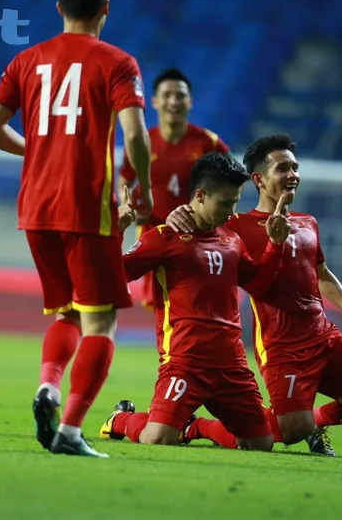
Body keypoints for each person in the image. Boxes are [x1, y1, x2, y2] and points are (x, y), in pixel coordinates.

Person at [0, 0, 152, 458]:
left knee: (64, 312)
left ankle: (48, 389)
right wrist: (145, 189)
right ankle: (71, 431)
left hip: (35, 207)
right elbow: (134, 132)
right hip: (85, 209)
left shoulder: (27, 59)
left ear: (58, 7)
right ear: (106, 7)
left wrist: (33, 148)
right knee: (101, 322)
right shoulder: (118, 62)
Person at [164, 134, 342, 455]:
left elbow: (322, 275)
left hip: (324, 337)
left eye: (295, 167)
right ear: (259, 179)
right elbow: (201, 220)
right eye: (283, 168)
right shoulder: (237, 227)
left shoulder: (307, 223)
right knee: (288, 430)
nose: (293, 175)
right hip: (281, 346)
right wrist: (178, 213)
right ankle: (197, 427)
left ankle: (314, 424)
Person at [100, 153, 291, 450]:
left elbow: (258, 283)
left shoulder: (232, 239)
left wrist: (276, 246)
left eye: (236, 202)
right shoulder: (163, 237)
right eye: (226, 203)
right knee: (158, 438)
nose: (231, 211)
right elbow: (114, 276)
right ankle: (120, 419)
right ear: (200, 196)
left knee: (259, 444)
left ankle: (194, 427)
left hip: (232, 364)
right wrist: (118, 230)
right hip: (185, 362)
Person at [117, 68, 230, 309]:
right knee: (159, 303)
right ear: (154, 102)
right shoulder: (141, 142)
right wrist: (127, 206)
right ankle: (173, 347)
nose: (173, 101)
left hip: (196, 236)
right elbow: (125, 179)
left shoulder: (208, 143)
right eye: (167, 95)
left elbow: (230, 186)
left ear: (190, 101)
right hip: (154, 234)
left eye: (180, 95)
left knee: (193, 301)